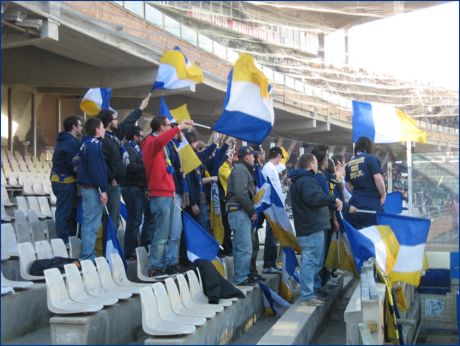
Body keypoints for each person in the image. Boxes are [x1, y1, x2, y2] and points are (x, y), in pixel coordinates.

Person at [142, 115, 193, 279]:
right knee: (161, 234)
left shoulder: (162, 146)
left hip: (168, 194)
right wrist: (178, 128)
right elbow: (159, 141)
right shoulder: (150, 142)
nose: (170, 127)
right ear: (161, 127)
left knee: (170, 233)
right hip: (160, 195)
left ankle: (165, 264)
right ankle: (155, 266)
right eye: (167, 125)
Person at [289, 154, 342, 306]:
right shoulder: (306, 180)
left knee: (314, 261)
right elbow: (313, 199)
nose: (318, 166)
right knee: (310, 261)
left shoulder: (301, 180)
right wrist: (332, 199)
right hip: (311, 228)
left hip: (310, 227)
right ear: (311, 164)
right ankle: (307, 295)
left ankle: (309, 292)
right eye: (316, 163)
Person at [98, 96, 149, 239]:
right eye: (114, 119)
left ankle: (110, 249)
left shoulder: (114, 136)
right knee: (108, 220)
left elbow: (128, 123)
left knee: (114, 220)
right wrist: (112, 178)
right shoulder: (103, 140)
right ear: (108, 122)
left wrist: (140, 109)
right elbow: (103, 163)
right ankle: (106, 250)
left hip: (116, 185)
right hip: (110, 185)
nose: (117, 121)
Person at [76, 117, 108, 261]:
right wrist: (103, 190)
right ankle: (88, 256)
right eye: (102, 127)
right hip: (92, 189)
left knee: (90, 222)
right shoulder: (94, 145)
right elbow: (97, 170)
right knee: (91, 223)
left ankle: (88, 255)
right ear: (96, 130)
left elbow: (75, 161)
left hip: (87, 187)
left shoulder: (86, 143)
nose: (104, 130)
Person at [226, 146, 257, 286]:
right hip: (239, 211)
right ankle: (241, 277)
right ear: (246, 157)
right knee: (244, 246)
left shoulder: (242, 169)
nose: (254, 158)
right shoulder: (241, 169)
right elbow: (241, 193)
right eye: (252, 156)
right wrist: (251, 210)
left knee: (241, 246)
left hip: (239, 211)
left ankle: (240, 276)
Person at [50, 116, 83, 244]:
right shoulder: (70, 142)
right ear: (74, 127)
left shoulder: (66, 140)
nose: (81, 128)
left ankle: (69, 238)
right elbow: (74, 165)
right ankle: (63, 241)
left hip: (62, 181)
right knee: (64, 212)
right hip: (64, 182)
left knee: (68, 211)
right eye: (79, 125)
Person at [345, 136, 386, 229]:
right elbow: (378, 179)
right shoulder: (371, 159)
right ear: (369, 147)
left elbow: (347, 184)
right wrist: (383, 195)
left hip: (355, 204)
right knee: (377, 233)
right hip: (371, 204)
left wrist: (357, 193)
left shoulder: (350, 163)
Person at [120, 125, 146, 260]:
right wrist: (146, 166)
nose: (143, 138)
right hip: (132, 187)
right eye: (141, 136)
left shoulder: (136, 148)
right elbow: (129, 167)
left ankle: (134, 248)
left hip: (138, 187)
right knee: (134, 220)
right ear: (135, 137)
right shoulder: (129, 148)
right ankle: (130, 250)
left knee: (136, 220)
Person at [261, 146, 284, 274]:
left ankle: (272, 263)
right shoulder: (269, 168)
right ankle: (268, 264)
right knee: (271, 237)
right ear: (279, 155)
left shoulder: (271, 168)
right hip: (272, 207)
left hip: (275, 207)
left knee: (273, 237)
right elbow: (272, 189)